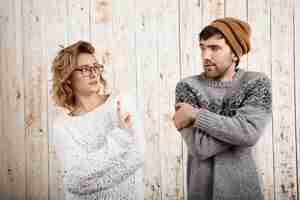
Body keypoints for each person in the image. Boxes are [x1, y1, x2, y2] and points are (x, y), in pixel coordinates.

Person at [173, 17, 272, 200]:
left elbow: (250, 133)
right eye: (202, 47)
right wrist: (238, 129)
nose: (205, 56)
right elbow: (200, 147)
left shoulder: (256, 83)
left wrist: (196, 115)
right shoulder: (187, 87)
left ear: (235, 53)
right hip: (201, 193)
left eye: (214, 48)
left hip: (244, 192)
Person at [51, 40, 144, 200]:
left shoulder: (121, 103)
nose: (94, 74)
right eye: (85, 69)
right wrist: (119, 139)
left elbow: (137, 156)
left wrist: (88, 176)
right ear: (68, 78)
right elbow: (75, 181)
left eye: (95, 67)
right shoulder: (62, 126)